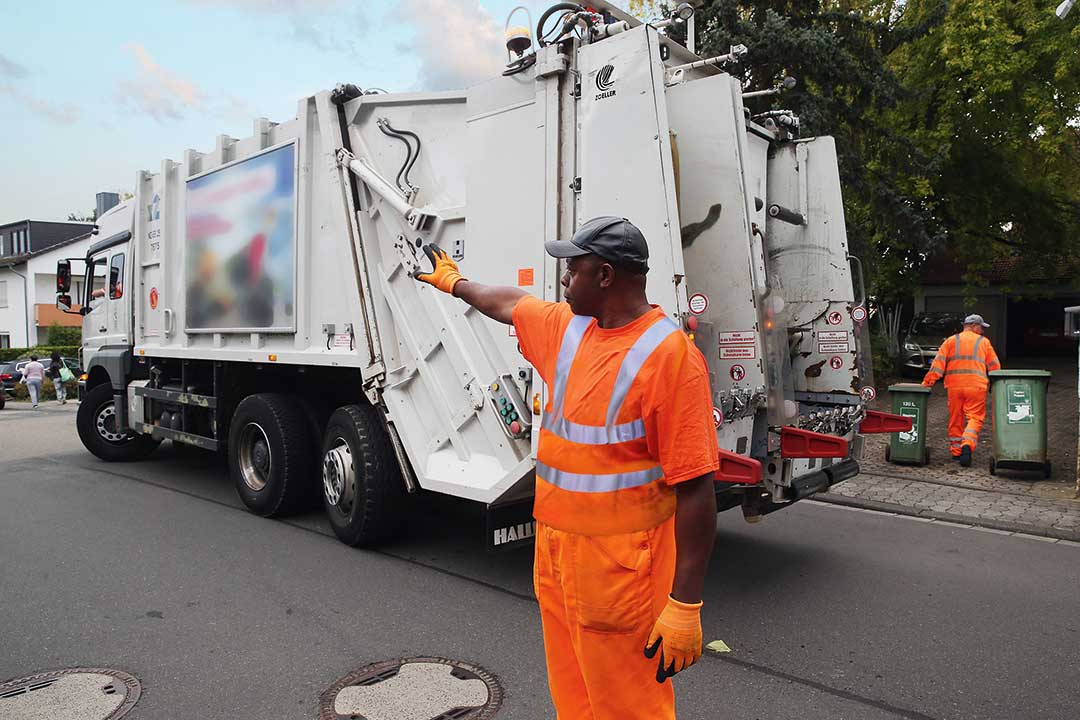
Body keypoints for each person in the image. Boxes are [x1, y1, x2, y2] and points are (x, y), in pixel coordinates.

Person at [414, 216, 720, 719]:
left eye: (571, 268)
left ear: (604, 276)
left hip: (620, 574)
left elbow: (696, 490)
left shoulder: (670, 358)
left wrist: (685, 605)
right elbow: (510, 304)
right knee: (573, 701)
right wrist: (456, 283)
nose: (562, 279)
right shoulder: (570, 330)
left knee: (627, 708)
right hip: (557, 561)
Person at [922, 313, 1001, 466]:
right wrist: (997, 384)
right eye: (981, 327)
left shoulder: (951, 341)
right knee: (975, 418)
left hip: (954, 386)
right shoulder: (984, 342)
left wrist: (926, 384)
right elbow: (994, 367)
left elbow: (937, 366)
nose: (983, 331)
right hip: (976, 386)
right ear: (974, 326)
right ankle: (967, 445)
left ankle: (956, 452)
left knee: (955, 418)